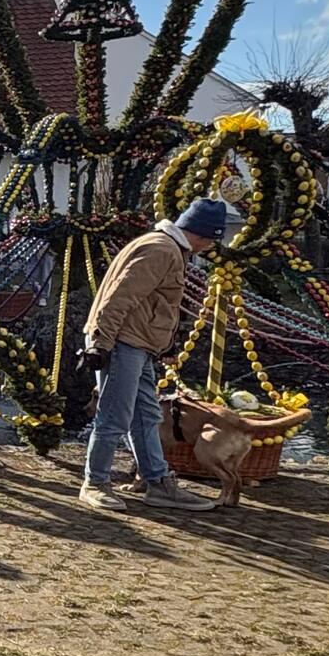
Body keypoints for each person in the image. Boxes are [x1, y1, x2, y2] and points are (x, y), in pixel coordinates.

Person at [77, 198, 228, 512]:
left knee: (147, 415)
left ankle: (157, 482)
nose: (211, 248)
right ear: (203, 235)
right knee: (114, 416)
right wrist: (100, 343)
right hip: (123, 342)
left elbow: (152, 303)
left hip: (139, 343)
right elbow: (121, 295)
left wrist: (165, 344)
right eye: (213, 240)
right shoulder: (162, 251)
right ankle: (95, 483)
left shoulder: (165, 247)